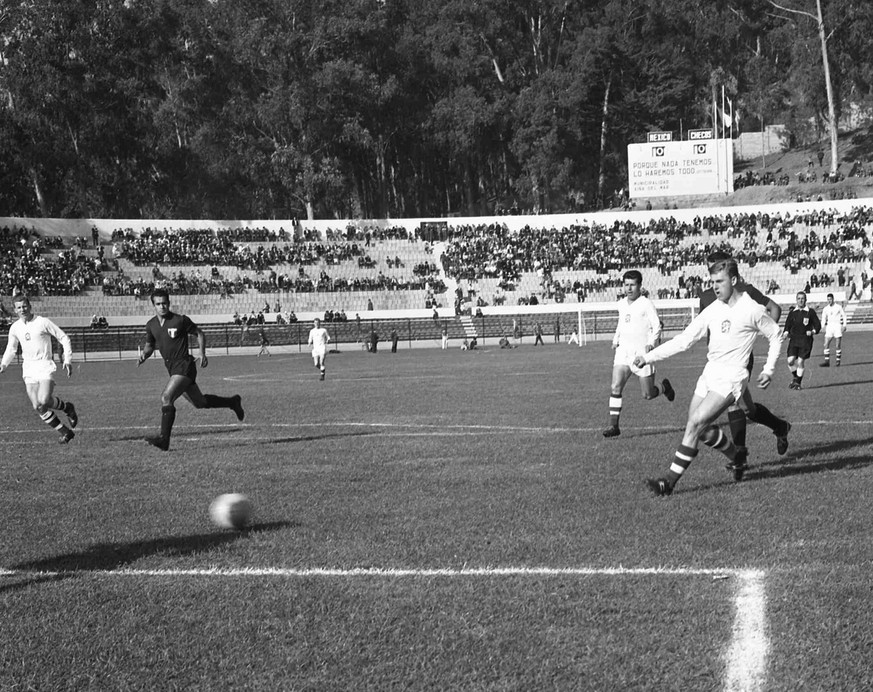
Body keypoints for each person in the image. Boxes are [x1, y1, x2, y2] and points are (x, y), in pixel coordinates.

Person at [635, 259, 783, 496]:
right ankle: (736, 455)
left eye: (719, 281)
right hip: (710, 373)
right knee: (700, 428)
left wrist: (769, 369)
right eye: (712, 281)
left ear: (733, 281)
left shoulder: (751, 309)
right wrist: (649, 357)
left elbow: (775, 335)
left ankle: (668, 483)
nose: (714, 286)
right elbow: (685, 340)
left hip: (732, 377)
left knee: (695, 424)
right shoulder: (713, 309)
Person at [699, 251, 791, 462]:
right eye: (710, 269)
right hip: (716, 362)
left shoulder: (745, 292)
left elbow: (773, 309)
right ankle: (780, 426)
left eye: (718, 267)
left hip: (739, 360)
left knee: (733, 405)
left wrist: (758, 333)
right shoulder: (705, 296)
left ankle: (739, 458)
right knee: (747, 408)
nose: (714, 274)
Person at [138, 289, 244, 451]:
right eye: (158, 304)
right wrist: (144, 356)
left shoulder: (180, 320)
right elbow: (150, 345)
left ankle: (164, 440)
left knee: (166, 397)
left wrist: (202, 353)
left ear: (169, 302)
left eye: (164, 303)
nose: (162, 306)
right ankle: (232, 402)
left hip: (184, 365)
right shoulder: (151, 325)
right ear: (153, 305)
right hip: (172, 367)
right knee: (200, 403)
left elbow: (199, 333)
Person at [603, 270, 675, 438]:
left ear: (640, 286)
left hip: (641, 355)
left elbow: (657, 325)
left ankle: (664, 387)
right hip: (623, 353)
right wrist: (615, 339)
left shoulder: (646, 303)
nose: (629, 288)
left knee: (647, 395)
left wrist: (651, 343)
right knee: (615, 386)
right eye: (626, 285)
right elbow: (621, 324)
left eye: (632, 285)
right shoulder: (621, 304)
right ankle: (614, 426)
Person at [0, 293, 78, 443]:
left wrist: (67, 360)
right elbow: (11, 348)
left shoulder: (42, 322)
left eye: (24, 306)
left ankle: (68, 407)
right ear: (15, 310)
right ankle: (65, 432)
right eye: (18, 307)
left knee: (43, 399)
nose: (22, 309)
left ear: (30, 306)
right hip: (28, 368)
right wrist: (3, 364)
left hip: (44, 365)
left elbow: (64, 338)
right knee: (38, 406)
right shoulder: (15, 327)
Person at [784, 291, 821, 390]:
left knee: (800, 361)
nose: (800, 300)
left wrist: (813, 331)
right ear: (796, 300)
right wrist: (785, 333)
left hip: (805, 340)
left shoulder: (810, 312)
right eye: (799, 298)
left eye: (802, 298)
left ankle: (798, 383)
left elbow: (818, 325)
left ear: (805, 300)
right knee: (790, 361)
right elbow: (787, 325)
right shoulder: (793, 313)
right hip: (794, 340)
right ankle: (796, 378)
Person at [819, 292, 847, 367]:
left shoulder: (838, 307)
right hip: (829, 327)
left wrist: (844, 325)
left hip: (837, 326)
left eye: (830, 299)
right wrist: (822, 326)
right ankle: (827, 362)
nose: (829, 301)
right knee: (826, 344)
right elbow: (823, 318)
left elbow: (844, 316)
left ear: (833, 299)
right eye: (828, 299)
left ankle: (838, 361)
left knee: (837, 345)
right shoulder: (826, 308)